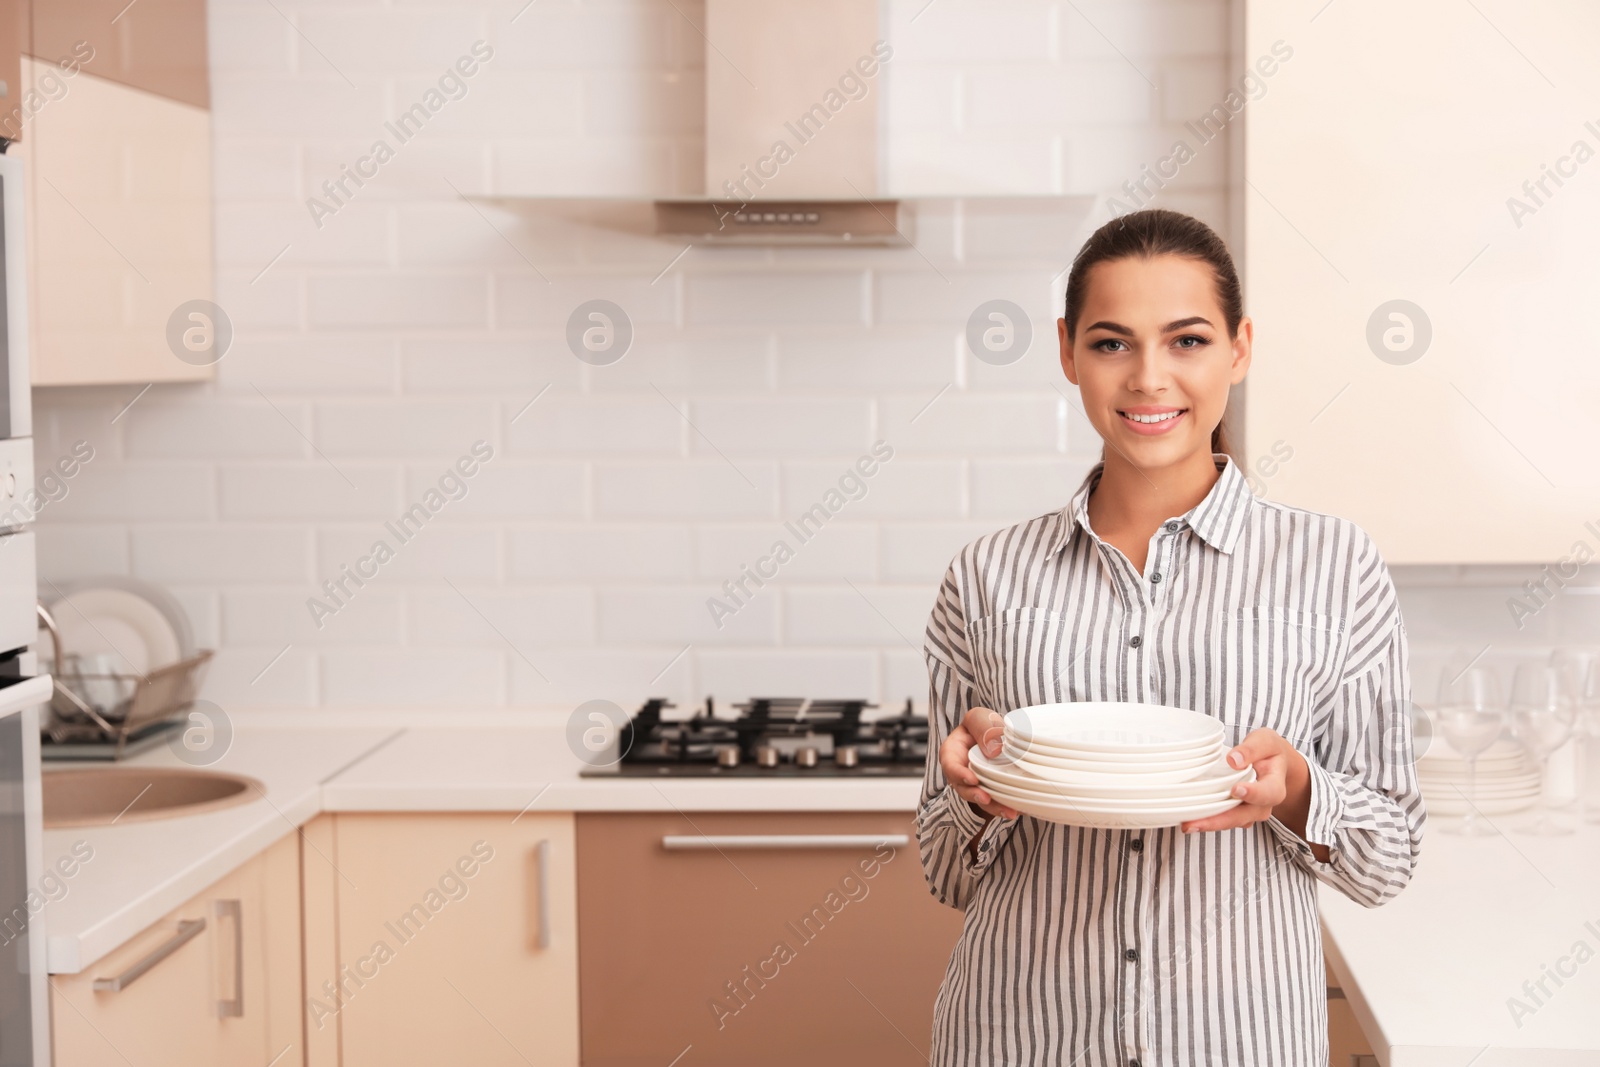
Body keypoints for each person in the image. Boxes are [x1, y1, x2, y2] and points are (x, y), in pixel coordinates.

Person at [917, 208, 1425, 1066]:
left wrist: (1298, 790)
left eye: (1186, 340)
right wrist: (977, 793)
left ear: (1240, 347)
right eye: (1113, 343)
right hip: (1020, 1037)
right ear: (1069, 350)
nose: (1150, 378)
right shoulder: (987, 575)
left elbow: (1388, 860)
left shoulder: (1336, 566)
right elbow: (944, 870)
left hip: (1238, 1041)